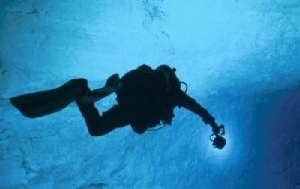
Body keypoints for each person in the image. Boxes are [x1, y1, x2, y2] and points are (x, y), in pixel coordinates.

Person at [10, 64, 226, 149]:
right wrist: (213, 124)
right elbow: (197, 108)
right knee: (101, 127)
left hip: (129, 104)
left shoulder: (164, 98)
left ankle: (81, 91)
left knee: (96, 128)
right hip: (134, 101)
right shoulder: (175, 95)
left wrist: (213, 124)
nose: (168, 118)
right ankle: (106, 89)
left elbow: (198, 110)